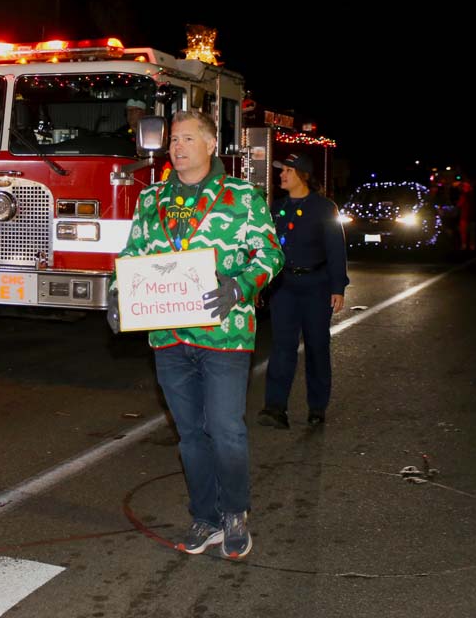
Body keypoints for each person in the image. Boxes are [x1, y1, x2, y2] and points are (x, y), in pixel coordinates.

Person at [107, 110, 283, 560]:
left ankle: (235, 514)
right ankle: (205, 516)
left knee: (226, 430)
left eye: (187, 139)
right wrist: (115, 294)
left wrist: (240, 287)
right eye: (172, 141)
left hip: (224, 334)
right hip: (168, 336)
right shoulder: (152, 199)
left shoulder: (241, 196)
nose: (177, 147)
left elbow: (269, 254)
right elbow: (133, 254)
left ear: (209, 144)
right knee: (190, 435)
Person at [259, 151, 349, 430]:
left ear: (302, 174)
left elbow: (336, 249)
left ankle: (317, 407)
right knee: (282, 346)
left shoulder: (325, 208)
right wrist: (263, 283)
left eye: (287, 170)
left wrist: (338, 287)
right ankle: (275, 407)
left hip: (316, 287)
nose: (281, 175)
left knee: (317, 346)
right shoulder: (276, 207)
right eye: (281, 170)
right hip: (284, 286)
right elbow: (268, 247)